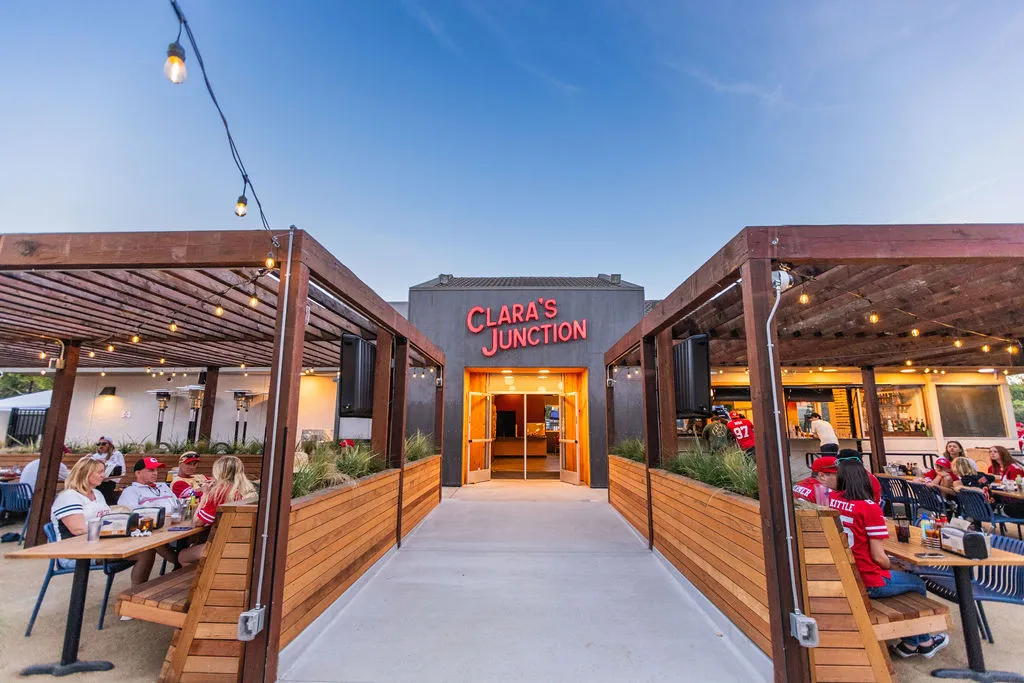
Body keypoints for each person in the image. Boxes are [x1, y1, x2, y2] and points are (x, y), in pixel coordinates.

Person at [829, 459, 949, 659]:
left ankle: (912, 643)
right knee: (917, 583)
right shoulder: (869, 508)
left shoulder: (835, 500)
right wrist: (894, 565)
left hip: (850, 575)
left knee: (905, 575)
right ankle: (923, 641)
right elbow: (878, 557)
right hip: (870, 580)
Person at [51, 457, 171, 584]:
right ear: (85, 473)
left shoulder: (97, 494)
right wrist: (115, 527)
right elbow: (78, 529)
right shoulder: (69, 496)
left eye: (104, 471)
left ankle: (137, 592)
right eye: (100, 472)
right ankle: (135, 593)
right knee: (145, 553)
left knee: (147, 547)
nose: (104, 475)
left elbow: (107, 519)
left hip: (101, 545)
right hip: (75, 552)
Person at [178, 456, 256, 565]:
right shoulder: (247, 491)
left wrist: (205, 494)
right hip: (240, 542)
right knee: (197, 540)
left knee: (182, 556)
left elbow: (197, 522)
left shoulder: (220, 492)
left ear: (219, 472)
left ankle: (200, 581)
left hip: (221, 546)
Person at [90, 436, 126, 505]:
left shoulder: (117, 454)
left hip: (109, 481)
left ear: (110, 445)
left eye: (103, 444)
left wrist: (106, 463)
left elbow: (121, 469)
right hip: (95, 480)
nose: (101, 446)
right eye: (98, 444)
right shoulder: (94, 456)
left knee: (106, 491)